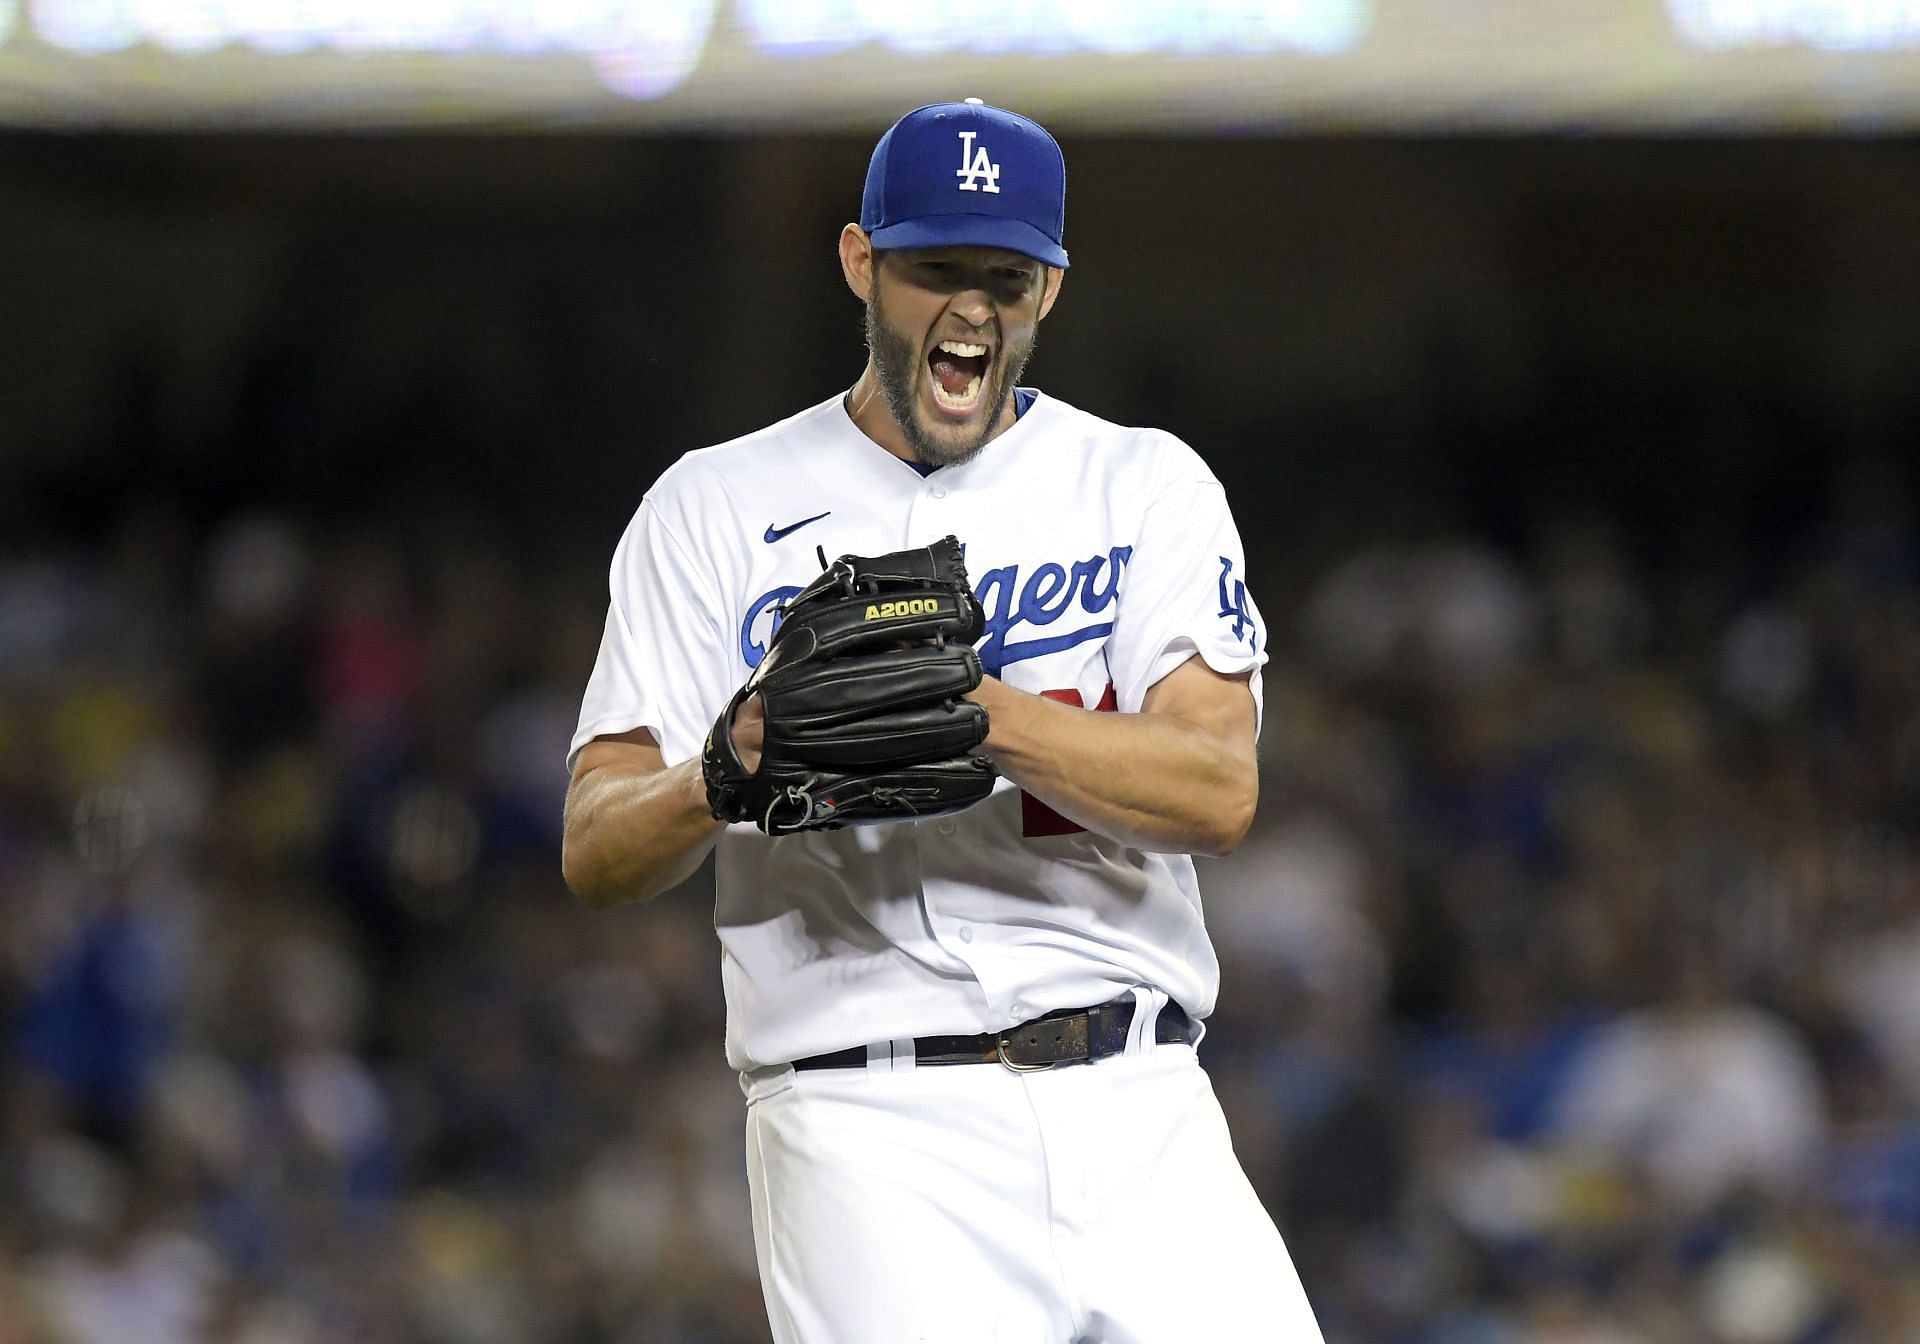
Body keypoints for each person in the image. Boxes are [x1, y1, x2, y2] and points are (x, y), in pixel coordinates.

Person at [562, 99, 1324, 1344]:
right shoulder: (711, 506)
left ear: (1051, 289)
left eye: (1003, 276)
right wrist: (724, 767)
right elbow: (596, 847)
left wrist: (975, 712)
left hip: (1140, 1103)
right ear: (862, 262)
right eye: (933, 269)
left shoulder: (1142, 485)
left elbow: (1216, 790)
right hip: (868, 1124)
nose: (970, 308)